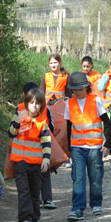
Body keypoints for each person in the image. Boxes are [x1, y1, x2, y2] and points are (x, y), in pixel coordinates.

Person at [65, 72, 111, 221]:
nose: (77, 92)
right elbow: (67, 128)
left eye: (80, 89)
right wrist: (68, 149)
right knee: (78, 178)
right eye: (74, 89)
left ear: (86, 87)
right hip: (77, 147)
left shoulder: (96, 101)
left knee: (96, 177)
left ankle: (96, 204)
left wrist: (107, 144)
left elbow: (108, 123)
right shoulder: (69, 103)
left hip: (94, 147)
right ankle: (77, 208)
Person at [8, 87, 51, 222]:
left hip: (36, 163)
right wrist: (18, 120)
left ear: (42, 105)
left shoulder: (42, 122)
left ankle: (34, 219)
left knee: (34, 191)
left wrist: (46, 160)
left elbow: (46, 142)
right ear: (26, 103)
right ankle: (24, 219)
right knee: (23, 191)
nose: (34, 105)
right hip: (20, 161)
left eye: (38, 103)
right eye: (31, 102)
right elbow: (11, 133)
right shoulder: (19, 115)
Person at [19, 82, 57, 209]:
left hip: (32, 148)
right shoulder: (24, 110)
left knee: (40, 172)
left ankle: (39, 199)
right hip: (35, 147)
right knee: (42, 172)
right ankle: (45, 199)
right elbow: (52, 126)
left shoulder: (20, 109)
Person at [39, 55, 70, 207]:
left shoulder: (66, 76)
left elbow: (69, 93)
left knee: (63, 133)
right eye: (50, 62)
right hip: (48, 107)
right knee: (50, 134)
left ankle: (64, 156)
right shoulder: (45, 77)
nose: (53, 65)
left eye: (55, 62)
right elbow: (40, 92)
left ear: (60, 63)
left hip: (61, 107)